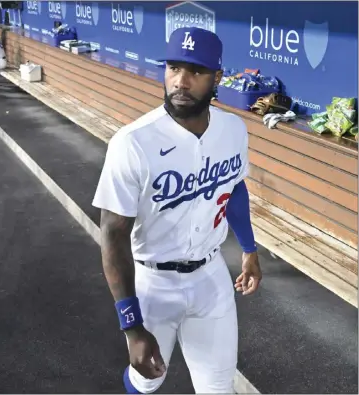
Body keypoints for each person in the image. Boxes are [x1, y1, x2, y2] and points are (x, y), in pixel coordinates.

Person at [92, 27, 262, 394]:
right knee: (147, 382)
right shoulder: (133, 142)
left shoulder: (233, 129)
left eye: (195, 71)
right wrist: (132, 326)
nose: (180, 82)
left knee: (218, 387)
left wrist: (249, 249)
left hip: (211, 278)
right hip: (153, 283)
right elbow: (113, 234)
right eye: (172, 68)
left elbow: (233, 188)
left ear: (217, 78)